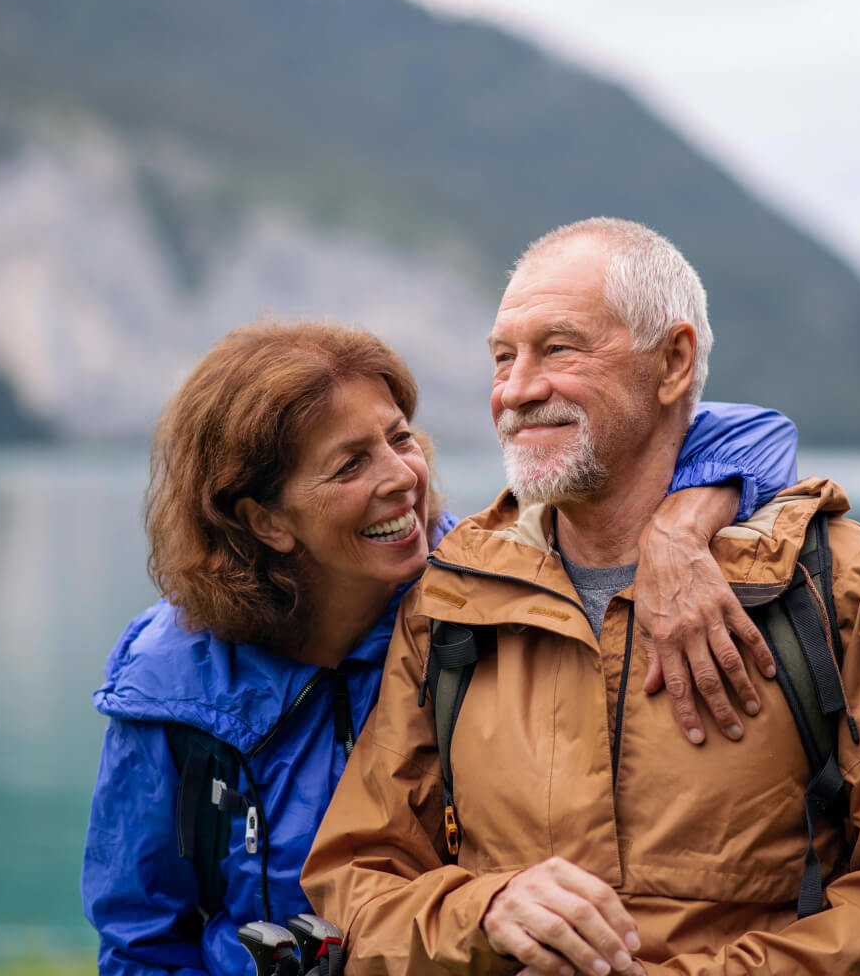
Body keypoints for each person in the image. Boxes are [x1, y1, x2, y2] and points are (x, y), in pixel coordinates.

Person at [302, 218, 860, 975]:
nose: (515, 390)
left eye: (560, 348)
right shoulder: (452, 594)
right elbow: (355, 881)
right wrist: (485, 912)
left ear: (673, 362)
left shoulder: (844, 585)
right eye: (503, 358)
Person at [81, 317, 801, 974]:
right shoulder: (172, 682)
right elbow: (142, 939)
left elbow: (759, 433)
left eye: (399, 437)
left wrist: (681, 525)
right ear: (265, 520)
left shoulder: (478, 589)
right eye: (350, 464)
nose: (402, 478)